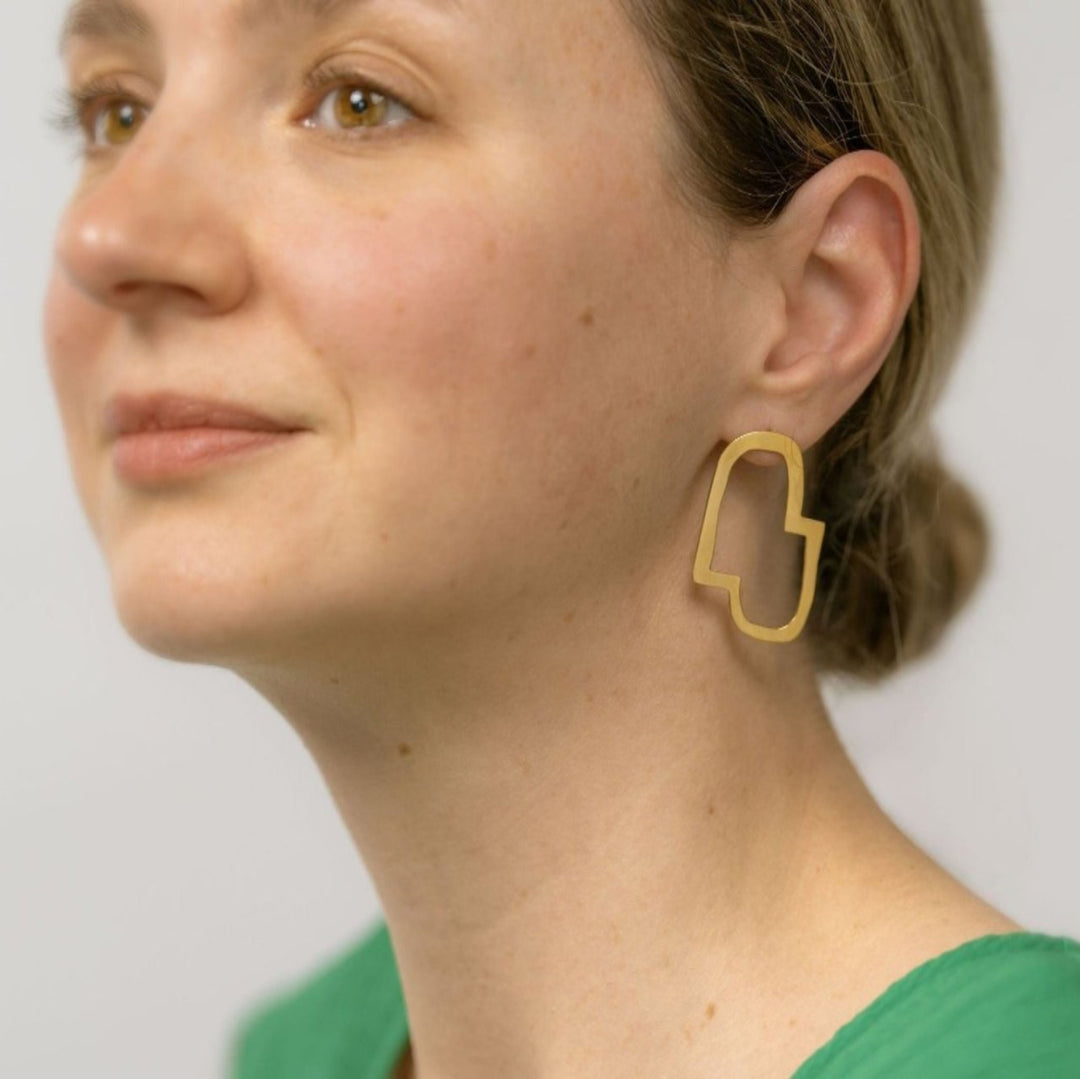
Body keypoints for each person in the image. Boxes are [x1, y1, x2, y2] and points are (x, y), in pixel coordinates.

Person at [44, 0, 1080, 1075]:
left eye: (359, 100)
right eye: (114, 109)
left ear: (815, 301)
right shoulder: (303, 1053)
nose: (106, 234)